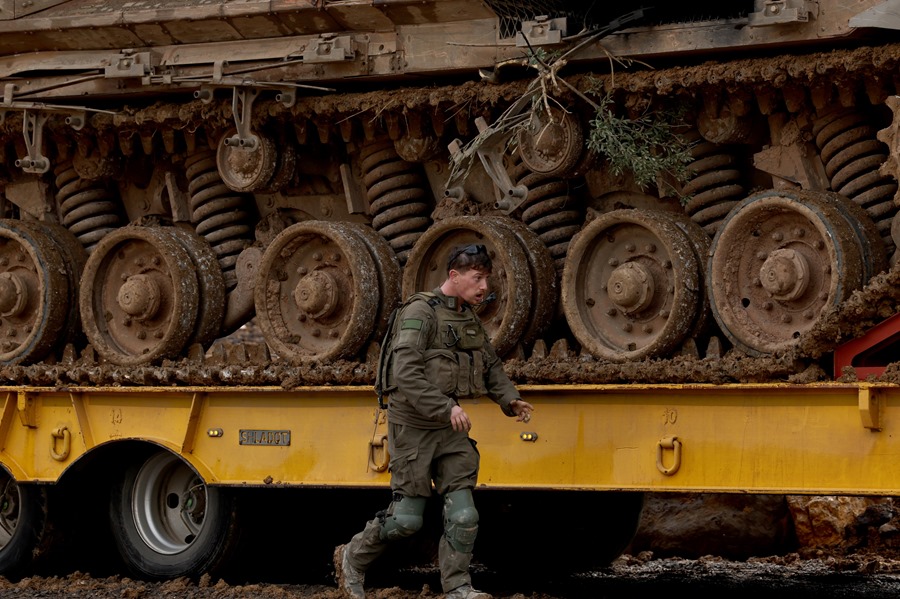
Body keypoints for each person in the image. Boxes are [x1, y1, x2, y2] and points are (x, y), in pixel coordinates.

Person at [334, 243, 534, 599]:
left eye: (486, 278)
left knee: (464, 516)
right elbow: (405, 375)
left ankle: (457, 587)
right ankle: (351, 557)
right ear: (454, 276)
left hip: (450, 429)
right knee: (406, 520)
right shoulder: (420, 313)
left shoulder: (466, 315)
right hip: (413, 425)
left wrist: (510, 398)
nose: (484, 286)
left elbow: (488, 365)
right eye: (477, 278)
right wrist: (446, 408)